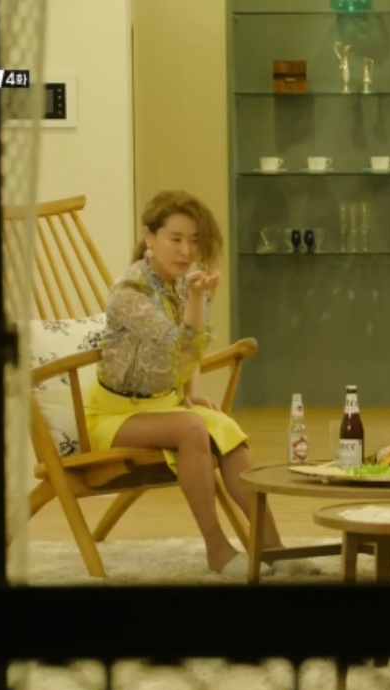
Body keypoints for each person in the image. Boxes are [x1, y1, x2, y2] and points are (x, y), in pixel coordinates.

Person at [84, 190, 312, 577]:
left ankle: (273, 548)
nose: (186, 250)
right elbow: (176, 345)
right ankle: (217, 548)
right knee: (191, 428)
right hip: (113, 414)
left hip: (164, 404)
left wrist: (193, 392)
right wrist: (195, 297)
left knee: (226, 430)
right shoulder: (129, 293)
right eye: (175, 239)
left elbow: (191, 355)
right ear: (149, 237)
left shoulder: (185, 283)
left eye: (194, 240)